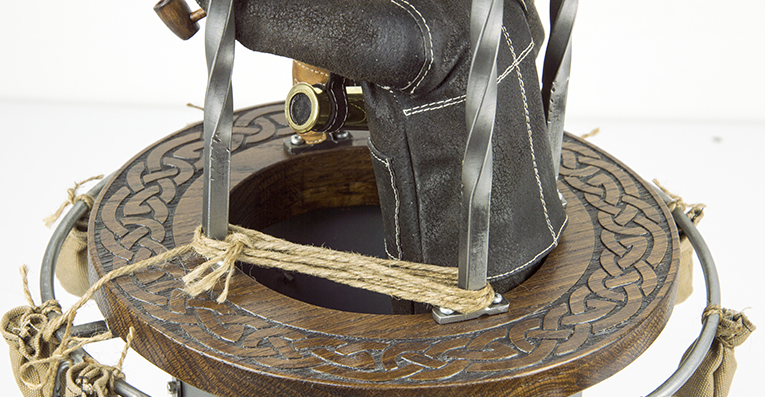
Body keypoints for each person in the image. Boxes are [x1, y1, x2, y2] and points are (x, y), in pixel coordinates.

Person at [197, 0, 566, 312]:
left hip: (452, 296)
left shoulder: (416, 33)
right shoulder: (505, 9)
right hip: (538, 242)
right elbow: (536, 34)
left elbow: (250, 16)